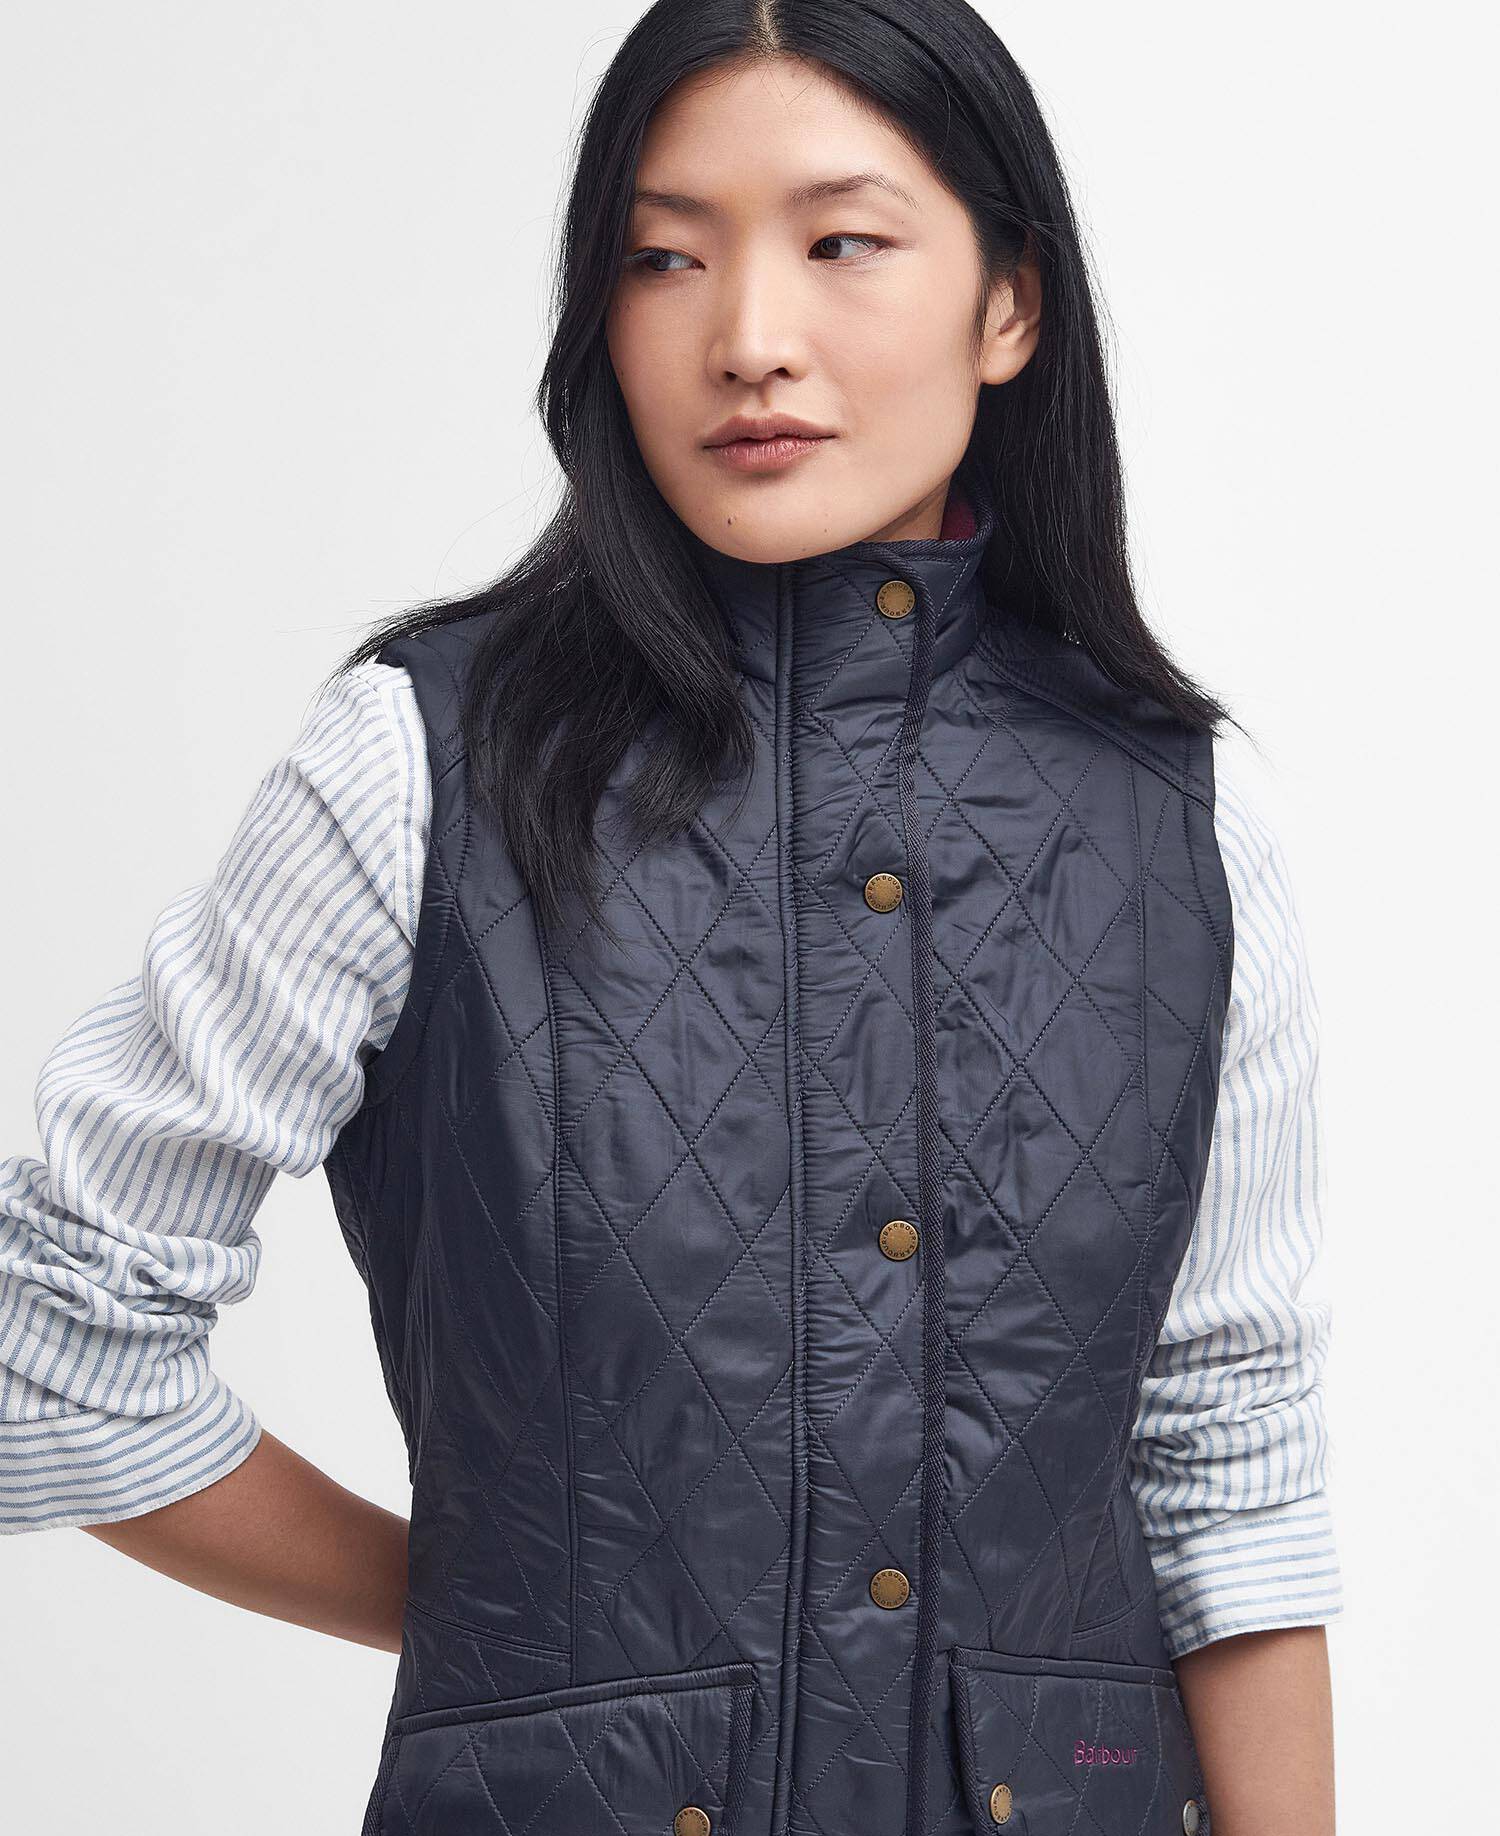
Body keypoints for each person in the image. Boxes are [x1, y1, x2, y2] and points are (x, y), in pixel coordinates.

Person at [1, 2, 1343, 1831]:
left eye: (842, 241)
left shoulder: (1182, 811)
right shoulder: (424, 763)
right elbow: (54, 1348)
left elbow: (1230, 1457)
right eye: (664, 257)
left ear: (1010, 305)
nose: (750, 337)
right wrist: (498, 1626)